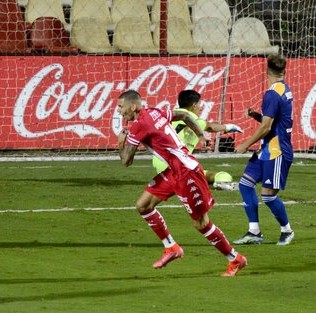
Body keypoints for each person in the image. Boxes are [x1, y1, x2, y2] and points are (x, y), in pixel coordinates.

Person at [117, 89, 247, 277]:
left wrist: (121, 142)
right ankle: (171, 248)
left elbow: (126, 161)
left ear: (133, 106)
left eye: (121, 107)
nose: (120, 111)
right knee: (143, 205)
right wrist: (200, 134)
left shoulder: (139, 125)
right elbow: (184, 115)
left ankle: (235, 259)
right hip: (173, 170)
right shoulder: (155, 111)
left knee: (201, 224)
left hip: (187, 173)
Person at [234, 54, 294, 245]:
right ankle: (254, 232)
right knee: (245, 184)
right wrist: (255, 115)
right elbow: (273, 122)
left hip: (277, 151)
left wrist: (245, 144)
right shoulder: (284, 88)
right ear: (283, 71)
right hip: (266, 150)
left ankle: (287, 231)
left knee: (268, 196)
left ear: (266, 71)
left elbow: (267, 127)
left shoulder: (271, 94)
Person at [152, 90, 243, 191]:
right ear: (194, 105)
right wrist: (229, 127)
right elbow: (210, 127)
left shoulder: (169, 116)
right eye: (199, 104)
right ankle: (217, 183)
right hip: (178, 166)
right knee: (224, 176)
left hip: (159, 164)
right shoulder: (191, 118)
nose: (200, 108)